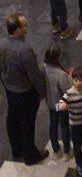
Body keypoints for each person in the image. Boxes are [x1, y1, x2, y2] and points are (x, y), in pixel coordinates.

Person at [0, 13, 48, 165]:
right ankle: (30, 155)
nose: (26, 28)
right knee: (27, 123)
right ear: (17, 30)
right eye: (24, 26)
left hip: (10, 89)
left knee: (13, 119)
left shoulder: (2, 45)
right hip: (25, 93)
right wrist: (42, 93)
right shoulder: (25, 50)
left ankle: (17, 150)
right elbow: (34, 75)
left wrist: (6, 83)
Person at [43, 43, 72, 160]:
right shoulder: (61, 74)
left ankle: (56, 149)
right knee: (64, 126)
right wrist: (70, 78)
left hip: (50, 102)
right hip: (61, 104)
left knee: (53, 125)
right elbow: (67, 91)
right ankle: (67, 151)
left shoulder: (44, 68)